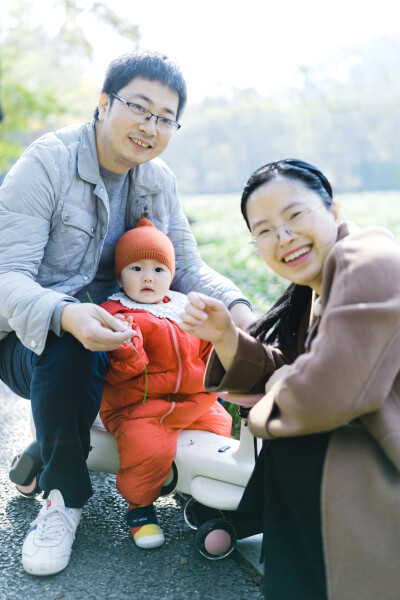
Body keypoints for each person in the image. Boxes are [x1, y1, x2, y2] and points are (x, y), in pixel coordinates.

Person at [0, 49, 253, 576]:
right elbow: (6, 277)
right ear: (102, 103)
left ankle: (67, 435)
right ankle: (63, 498)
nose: (149, 126)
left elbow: (189, 269)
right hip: (31, 343)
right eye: (139, 107)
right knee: (71, 348)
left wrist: (242, 315)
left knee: (194, 346)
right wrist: (67, 315)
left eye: (165, 118)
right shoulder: (46, 164)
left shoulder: (158, 181)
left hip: (124, 340)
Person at [180, 158, 400, 600]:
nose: (283, 237)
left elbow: (328, 390)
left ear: (333, 210)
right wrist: (226, 337)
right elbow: (295, 368)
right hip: (327, 496)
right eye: (263, 230)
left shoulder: (370, 258)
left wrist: (275, 396)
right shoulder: (317, 290)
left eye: (295, 216)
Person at [99, 218, 232, 549]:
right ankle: (140, 508)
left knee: (221, 424)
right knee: (146, 446)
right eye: (136, 268)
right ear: (119, 275)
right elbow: (110, 374)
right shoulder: (115, 313)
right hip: (138, 406)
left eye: (159, 269)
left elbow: (207, 348)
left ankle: (197, 489)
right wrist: (126, 352)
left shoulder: (184, 308)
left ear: (171, 276)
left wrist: (222, 364)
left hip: (193, 401)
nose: (148, 276)